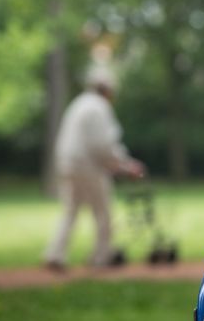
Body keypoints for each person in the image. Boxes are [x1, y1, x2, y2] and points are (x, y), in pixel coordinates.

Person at [43, 65, 145, 271]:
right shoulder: (99, 107)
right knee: (103, 211)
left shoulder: (79, 103)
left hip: (67, 164)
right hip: (88, 166)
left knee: (70, 210)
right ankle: (101, 257)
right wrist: (126, 165)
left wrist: (119, 164)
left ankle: (56, 254)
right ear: (108, 89)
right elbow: (104, 145)